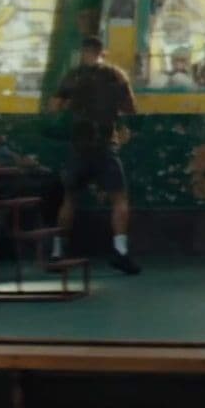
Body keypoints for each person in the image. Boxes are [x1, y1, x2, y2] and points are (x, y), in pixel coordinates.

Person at [50, 37, 142, 275]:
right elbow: (131, 108)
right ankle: (120, 251)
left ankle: (58, 251)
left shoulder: (73, 76)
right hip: (105, 145)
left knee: (69, 199)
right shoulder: (115, 75)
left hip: (79, 145)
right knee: (119, 199)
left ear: (83, 52)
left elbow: (55, 107)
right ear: (103, 52)